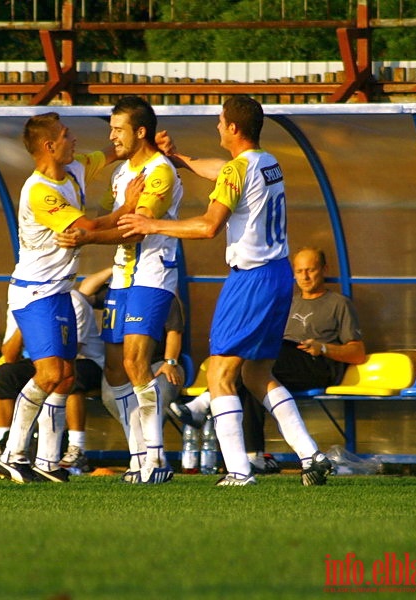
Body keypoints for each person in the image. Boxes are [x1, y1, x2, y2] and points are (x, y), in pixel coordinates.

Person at [119, 94, 333, 486]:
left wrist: (153, 225)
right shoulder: (267, 161)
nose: (217, 126)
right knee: (257, 373)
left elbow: (207, 226)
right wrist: (181, 158)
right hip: (277, 275)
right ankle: (311, 454)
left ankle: (238, 470)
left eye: (220, 121)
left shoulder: (239, 170)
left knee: (219, 371)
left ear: (233, 127)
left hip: (250, 278)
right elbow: (223, 171)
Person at [0, 111, 140, 484]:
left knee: (66, 376)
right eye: (65, 134)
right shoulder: (40, 191)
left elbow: (107, 154)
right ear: (49, 146)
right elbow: (87, 228)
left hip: (60, 290)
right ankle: (11, 454)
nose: (73, 139)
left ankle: (47, 461)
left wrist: (140, 144)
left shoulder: (73, 166)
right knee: (50, 373)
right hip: (35, 291)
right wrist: (127, 208)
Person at [59, 96, 184, 485]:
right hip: (122, 276)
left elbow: (136, 225)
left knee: (134, 363)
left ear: (140, 132)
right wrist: (89, 230)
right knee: (114, 373)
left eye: (118, 129)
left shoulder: (160, 171)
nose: (111, 136)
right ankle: (138, 456)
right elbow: (112, 219)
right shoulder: (121, 172)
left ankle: (157, 457)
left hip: (152, 275)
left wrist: (85, 239)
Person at [170, 246, 365, 473]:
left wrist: (322, 347)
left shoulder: (338, 303)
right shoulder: (289, 301)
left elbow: (357, 352)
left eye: (310, 270)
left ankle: (204, 403)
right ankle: (254, 457)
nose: (305, 276)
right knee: (251, 373)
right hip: (283, 359)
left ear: (324, 269)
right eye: (299, 271)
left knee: (254, 360)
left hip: (317, 363)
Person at [0, 286, 104, 474]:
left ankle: (76, 448)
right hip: (39, 360)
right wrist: (29, 321)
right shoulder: (19, 300)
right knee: (4, 375)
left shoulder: (73, 300)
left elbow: (70, 350)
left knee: (67, 374)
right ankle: (5, 445)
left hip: (85, 360)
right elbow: (10, 356)